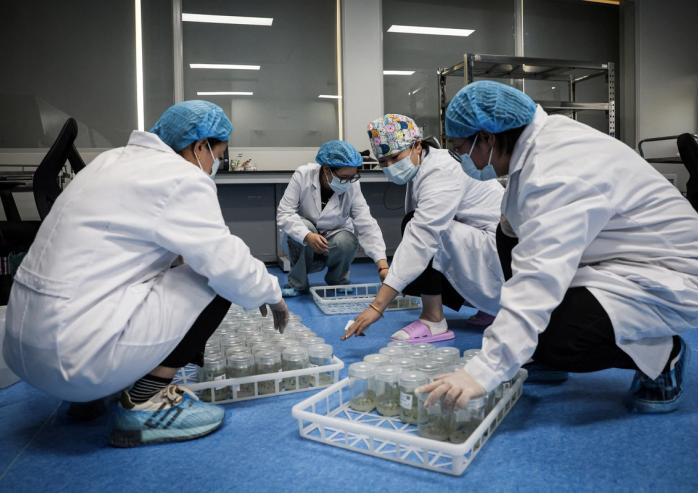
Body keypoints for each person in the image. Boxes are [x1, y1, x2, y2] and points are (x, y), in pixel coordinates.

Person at [418, 80, 698, 413]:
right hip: (620, 258)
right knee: (508, 230)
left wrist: (486, 369)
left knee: (560, 338)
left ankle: (665, 355)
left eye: (462, 148)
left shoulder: (557, 171)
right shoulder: (540, 145)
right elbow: (524, 246)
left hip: (674, 275)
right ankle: (540, 350)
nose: (463, 160)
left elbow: (539, 277)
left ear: (488, 137)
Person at [3, 101, 289, 446]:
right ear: (199, 147)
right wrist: (272, 294)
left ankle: (90, 395)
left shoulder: (109, 162)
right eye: (218, 155)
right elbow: (227, 263)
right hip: (76, 357)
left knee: (179, 266)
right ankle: (146, 400)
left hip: (25, 347)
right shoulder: (180, 178)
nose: (216, 165)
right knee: (213, 277)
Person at [342, 114, 506, 342]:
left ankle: (433, 319)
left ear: (417, 146)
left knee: (421, 231)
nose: (390, 167)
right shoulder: (425, 165)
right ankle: (488, 308)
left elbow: (422, 236)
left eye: (394, 157)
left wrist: (378, 306)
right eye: (383, 162)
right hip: (486, 244)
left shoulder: (441, 170)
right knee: (416, 241)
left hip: (498, 252)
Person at [277, 140, 388, 296]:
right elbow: (284, 213)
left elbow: (366, 222)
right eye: (344, 177)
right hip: (302, 244)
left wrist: (382, 265)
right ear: (327, 170)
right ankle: (297, 283)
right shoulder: (303, 175)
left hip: (332, 240)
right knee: (303, 226)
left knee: (347, 240)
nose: (348, 182)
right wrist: (307, 236)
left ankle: (337, 281)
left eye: (353, 177)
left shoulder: (351, 184)